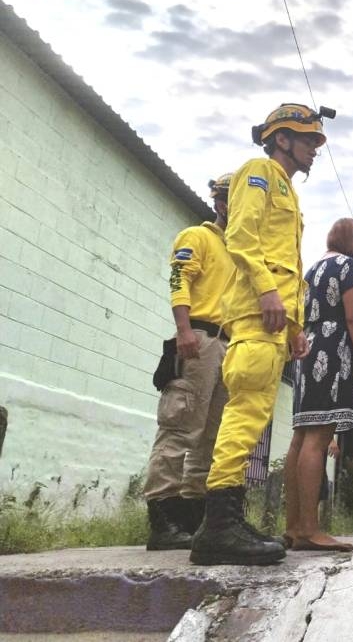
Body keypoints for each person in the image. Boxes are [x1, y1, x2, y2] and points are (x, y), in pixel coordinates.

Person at [190, 102, 336, 566]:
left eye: (316, 140)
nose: (315, 149)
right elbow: (241, 236)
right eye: (308, 139)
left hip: (273, 322)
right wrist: (268, 292)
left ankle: (227, 521)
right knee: (245, 412)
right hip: (256, 314)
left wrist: (295, 327)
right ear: (281, 139)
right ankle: (218, 527)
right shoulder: (257, 170)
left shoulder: (289, 194)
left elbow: (286, 261)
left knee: (253, 419)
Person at [284, 218, 353, 551]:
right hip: (333, 350)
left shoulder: (312, 270)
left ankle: (293, 527)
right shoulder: (349, 267)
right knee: (319, 437)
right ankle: (311, 529)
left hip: (308, 349)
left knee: (300, 438)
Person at [144, 173, 235, 550]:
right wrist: (183, 329)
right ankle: (162, 518)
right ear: (220, 203)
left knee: (211, 434)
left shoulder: (239, 250)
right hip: (198, 336)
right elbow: (179, 277)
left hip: (228, 343)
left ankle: (193, 517)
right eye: (236, 200)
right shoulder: (197, 237)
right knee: (181, 424)